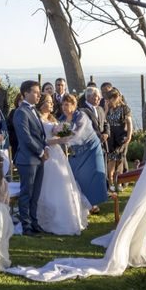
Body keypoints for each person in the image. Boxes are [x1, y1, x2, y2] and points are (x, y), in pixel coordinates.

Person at [36, 94, 89, 235]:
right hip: (48, 154)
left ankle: (69, 215)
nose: (51, 104)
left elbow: (60, 134)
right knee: (50, 185)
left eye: (51, 102)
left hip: (58, 154)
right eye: (48, 102)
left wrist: (66, 134)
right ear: (41, 104)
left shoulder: (53, 118)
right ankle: (47, 217)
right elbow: (43, 140)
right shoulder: (38, 119)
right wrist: (58, 141)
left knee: (64, 183)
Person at [60, 94, 109, 213]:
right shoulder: (62, 119)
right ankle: (81, 203)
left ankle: (93, 204)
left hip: (91, 148)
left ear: (73, 105)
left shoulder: (80, 115)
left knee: (92, 176)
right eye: (62, 104)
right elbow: (58, 132)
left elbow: (78, 133)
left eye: (67, 104)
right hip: (76, 152)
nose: (64, 107)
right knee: (76, 176)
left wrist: (63, 139)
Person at [13, 80, 48, 236]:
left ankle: (34, 223)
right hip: (27, 160)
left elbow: (39, 134)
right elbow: (25, 137)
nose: (38, 94)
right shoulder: (20, 112)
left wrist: (45, 147)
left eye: (39, 91)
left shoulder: (34, 111)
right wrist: (41, 152)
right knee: (27, 194)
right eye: (35, 91)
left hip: (38, 159)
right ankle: (26, 226)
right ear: (25, 93)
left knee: (36, 194)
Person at [105, 88, 133, 191]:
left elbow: (129, 123)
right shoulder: (109, 108)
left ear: (116, 98)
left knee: (120, 159)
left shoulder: (124, 108)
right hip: (111, 136)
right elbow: (104, 120)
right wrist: (106, 110)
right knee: (111, 159)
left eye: (110, 99)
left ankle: (119, 183)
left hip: (121, 136)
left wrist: (129, 136)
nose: (108, 101)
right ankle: (111, 182)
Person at [80, 86, 109, 160]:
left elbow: (105, 123)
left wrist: (106, 133)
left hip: (103, 145)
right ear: (88, 97)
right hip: (90, 145)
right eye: (97, 96)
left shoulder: (100, 109)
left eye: (100, 96)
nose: (99, 98)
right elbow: (84, 127)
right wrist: (99, 136)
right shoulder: (82, 110)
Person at [6, 93, 23, 157]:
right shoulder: (13, 112)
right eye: (20, 100)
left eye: (23, 100)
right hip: (15, 140)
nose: (22, 102)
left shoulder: (29, 112)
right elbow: (9, 125)